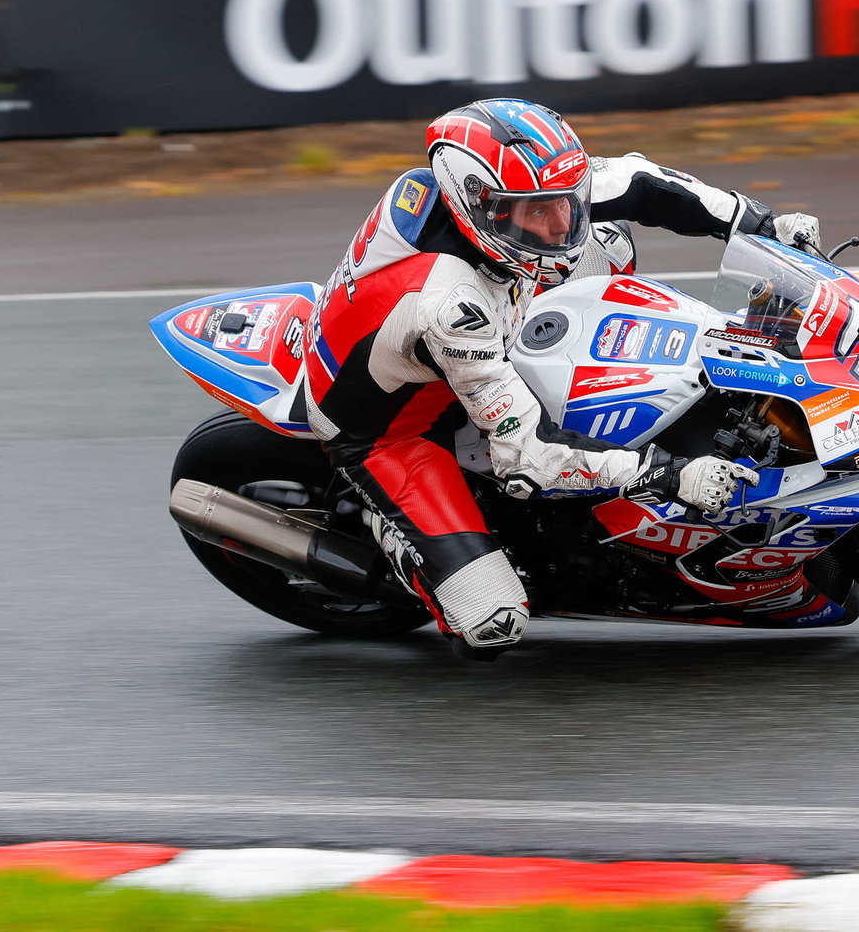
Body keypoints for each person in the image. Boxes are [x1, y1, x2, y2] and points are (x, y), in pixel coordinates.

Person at [302, 98, 821, 656]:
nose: (560, 226)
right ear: (480, 207)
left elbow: (646, 183)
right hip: (390, 429)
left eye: (566, 204)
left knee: (609, 241)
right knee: (491, 621)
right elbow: (527, 458)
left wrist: (765, 226)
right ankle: (399, 543)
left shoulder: (522, 192)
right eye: (537, 214)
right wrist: (669, 475)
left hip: (460, 333)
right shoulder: (450, 305)